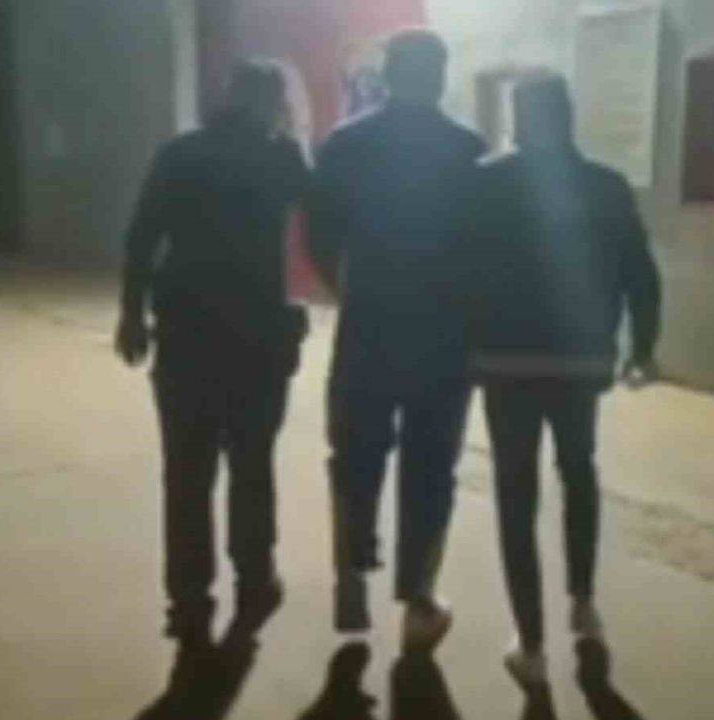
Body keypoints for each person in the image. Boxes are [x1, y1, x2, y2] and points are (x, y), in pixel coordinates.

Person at [465, 74, 662, 689]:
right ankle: (582, 600)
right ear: (569, 116)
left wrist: (458, 345)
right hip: (579, 363)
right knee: (578, 472)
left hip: (506, 364)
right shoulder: (607, 186)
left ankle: (530, 645)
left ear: (518, 120)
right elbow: (641, 275)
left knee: (515, 494)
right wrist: (642, 349)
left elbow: (456, 273)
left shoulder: (484, 184)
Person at [116, 59, 312, 650]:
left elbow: (142, 237)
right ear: (275, 102)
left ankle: (188, 597)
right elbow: (313, 238)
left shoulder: (181, 153)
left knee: (187, 472)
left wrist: (132, 314)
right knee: (252, 465)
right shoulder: (284, 158)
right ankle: (255, 578)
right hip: (260, 338)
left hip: (187, 335)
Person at [306, 29, 486, 651]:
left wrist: (348, 288)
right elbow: (484, 247)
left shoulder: (347, 143)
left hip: (370, 324)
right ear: (440, 75)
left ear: (387, 75)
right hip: (444, 333)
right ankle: (418, 596)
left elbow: (319, 234)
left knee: (355, 451)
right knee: (431, 463)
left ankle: (351, 578)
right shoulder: (467, 149)